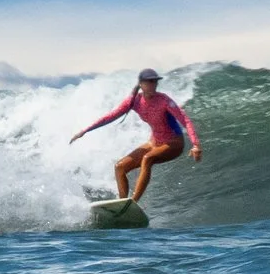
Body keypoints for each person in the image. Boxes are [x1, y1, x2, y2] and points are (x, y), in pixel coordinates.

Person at [70, 68, 202, 203]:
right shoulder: (135, 101)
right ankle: (122, 203)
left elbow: (184, 119)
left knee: (147, 158)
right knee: (120, 167)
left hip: (174, 143)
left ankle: (133, 202)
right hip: (154, 142)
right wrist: (85, 130)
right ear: (141, 84)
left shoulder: (164, 101)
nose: (153, 85)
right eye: (150, 82)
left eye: (155, 82)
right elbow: (111, 116)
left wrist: (196, 144)